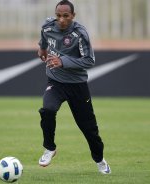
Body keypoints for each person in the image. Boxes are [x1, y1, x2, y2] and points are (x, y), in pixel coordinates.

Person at [37, 0, 111, 174]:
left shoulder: (80, 33)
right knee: (47, 110)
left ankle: (100, 160)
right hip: (55, 82)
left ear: (73, 16)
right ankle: (49, 148)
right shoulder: (48, 26)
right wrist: (41, 49)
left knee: (89, 129)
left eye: (65, 16)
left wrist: (62, 61)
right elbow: (43, 39)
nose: (61, 20)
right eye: (58, 15)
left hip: (77, 86)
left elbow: (89, 60)